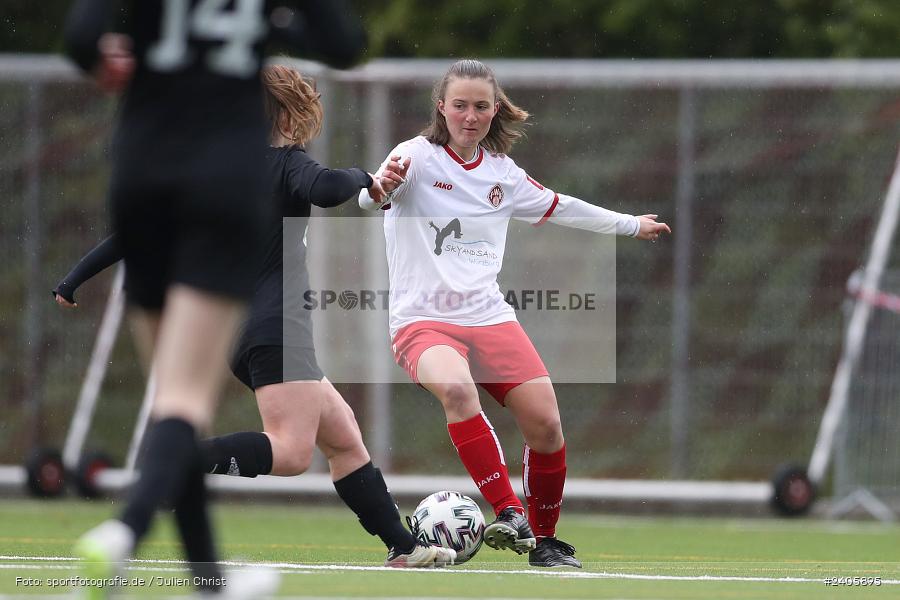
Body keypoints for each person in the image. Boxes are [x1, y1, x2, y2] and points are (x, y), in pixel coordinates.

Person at [53, 64, 454, 569]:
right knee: (290, 453)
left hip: (236, 328)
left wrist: (72, 279)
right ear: (287, 113)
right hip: (278, 323)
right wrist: (367, 180)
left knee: (344, 437)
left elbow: (137, 233)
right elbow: (328, 188)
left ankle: (403, 546)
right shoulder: (286, 162)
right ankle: (178, 465)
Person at [63, 1, 367, 596]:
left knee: (173, 395)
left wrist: (117, 61)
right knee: (184, 400)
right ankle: (125, 528)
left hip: (142, 168)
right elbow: (344, 43)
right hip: (220, 179)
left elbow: (81, 40)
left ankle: (208, 581)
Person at [359, 59, 671, 569]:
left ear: (494, 110)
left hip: (489, 317)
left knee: (546, 423)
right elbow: (371, 196)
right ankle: (509, 509)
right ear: (442, 107)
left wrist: (631, 226)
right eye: (460, 105)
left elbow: (563, 206)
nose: (470, 115)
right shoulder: (413, 156)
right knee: (457, 390)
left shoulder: (502, 174)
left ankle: (544, 542)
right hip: (422, 321)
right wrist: (378, 189)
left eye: (481, 106)